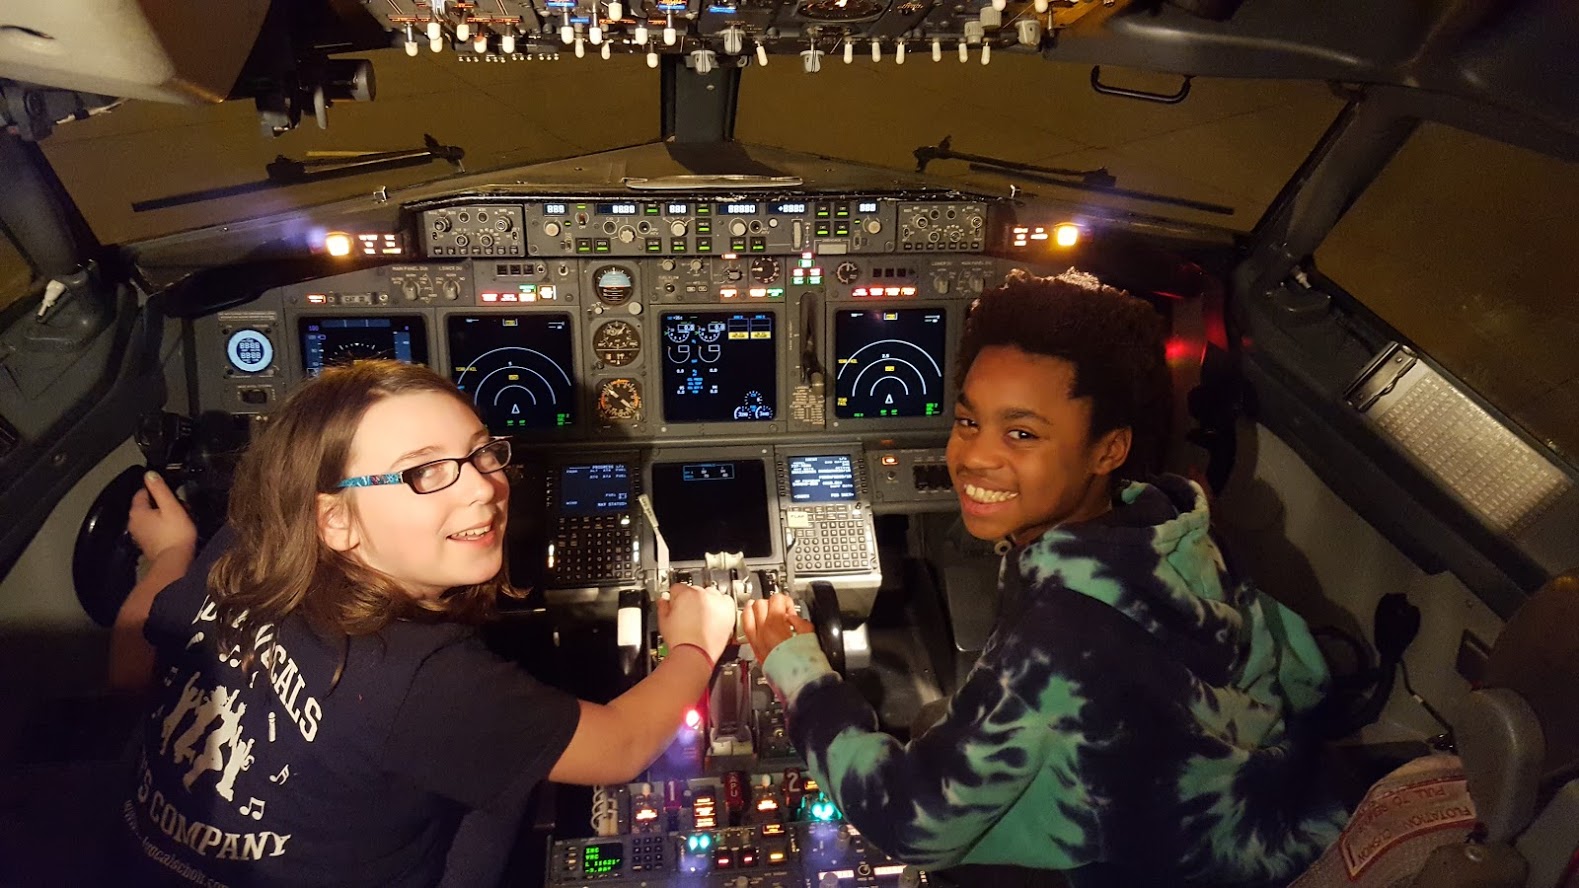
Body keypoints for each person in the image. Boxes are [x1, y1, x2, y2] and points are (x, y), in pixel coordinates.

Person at [743, 269, 1347, 888]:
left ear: (1108, 449)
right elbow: (1299, 671)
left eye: (1023, 433)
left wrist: (800, 672)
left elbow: (911, 824)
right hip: (1270, 818)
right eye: (969, 420)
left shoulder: (1061, 634)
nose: (974, 456)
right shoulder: (1173, 521)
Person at [110, 359, 738, 887]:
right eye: (423, 472)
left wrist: (170, 553)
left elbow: (132, 663)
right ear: (334, 519)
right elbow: (623, 747)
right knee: (508, 781)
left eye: (481, 453)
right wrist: (695, 644)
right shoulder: (421, 680)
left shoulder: (245, 547)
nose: (483, 491)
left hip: (141, 857)